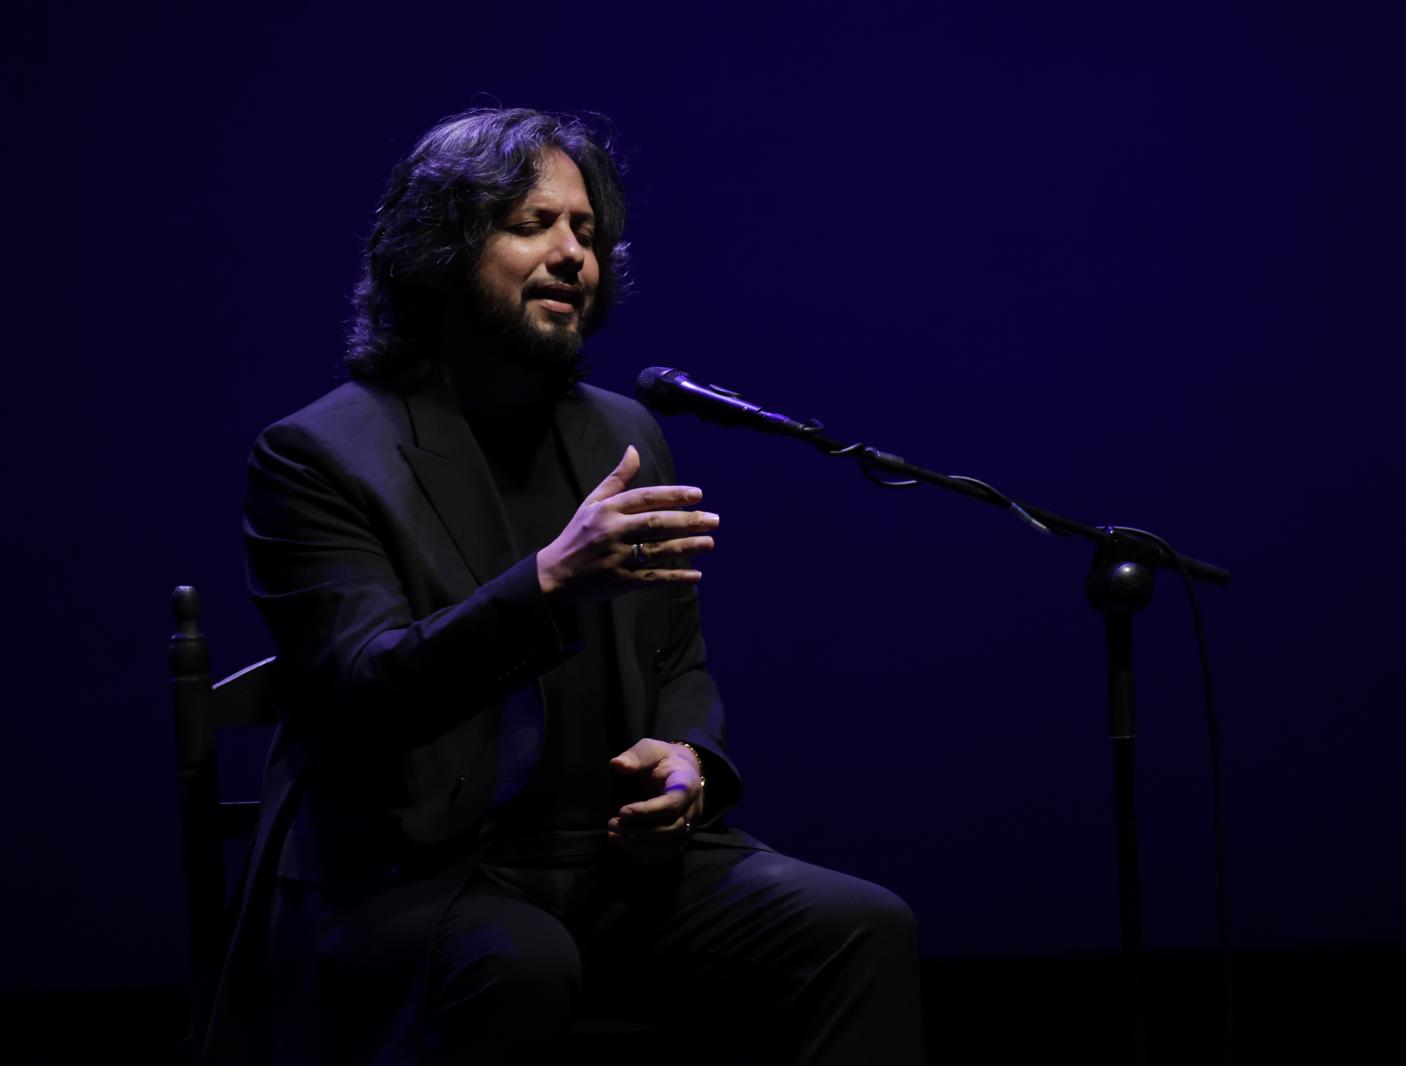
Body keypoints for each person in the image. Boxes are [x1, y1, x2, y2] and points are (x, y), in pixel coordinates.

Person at [202, 108, 923, 1065]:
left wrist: (690, 760)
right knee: (521, 964)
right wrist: (546, 586)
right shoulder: (318, 456)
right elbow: (361, 694)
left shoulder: (622, 433)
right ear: (439, 252)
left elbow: (678, 659)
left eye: (585, 230)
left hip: (608, 867)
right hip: (409, 877)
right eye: (530, 224)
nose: (572, 254)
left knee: (862, 927)